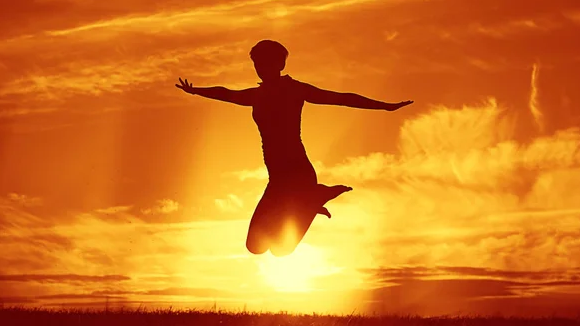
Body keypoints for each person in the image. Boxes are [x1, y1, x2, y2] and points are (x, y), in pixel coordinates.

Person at [176, 40, 413, 257]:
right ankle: (310, 203)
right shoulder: (257, 95)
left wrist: (384, 107)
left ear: (279, 64)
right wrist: (196, 90)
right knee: (255, 246)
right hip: (277, 179)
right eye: (256, 64)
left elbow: (340, 97)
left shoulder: (295, 89)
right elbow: (226, 93)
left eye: (265, 62)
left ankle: (311, 200)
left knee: (281, 250)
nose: (260, 68)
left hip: (298, 173)